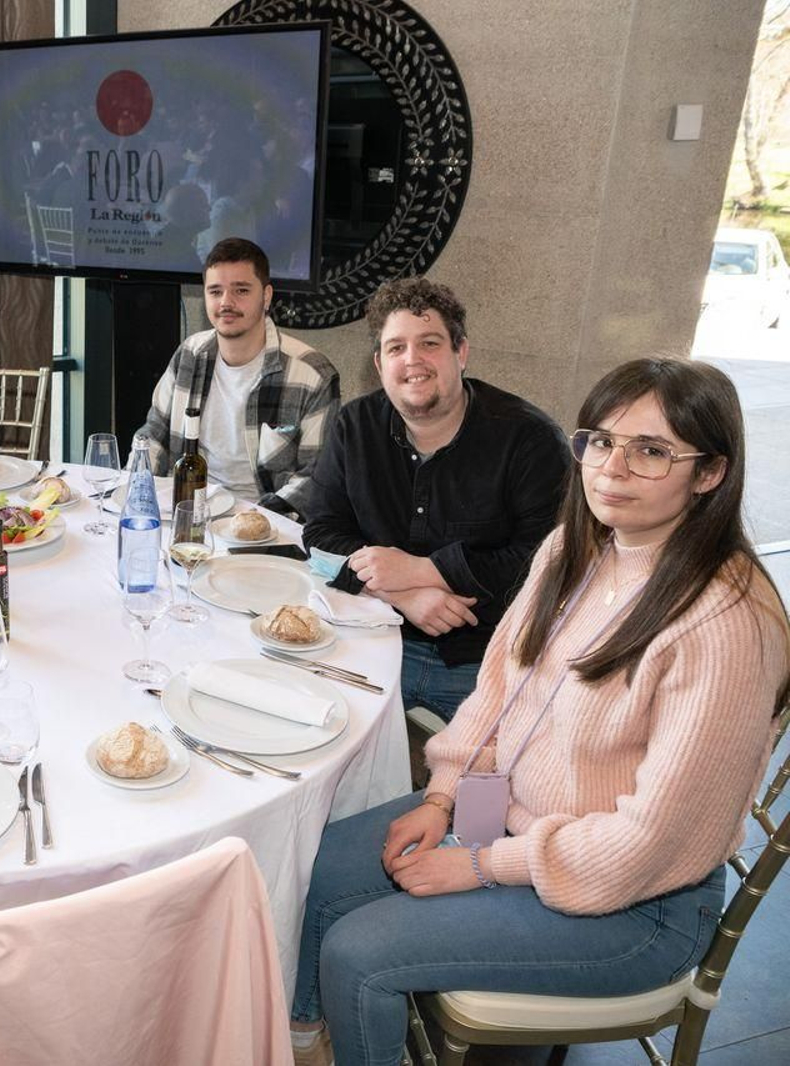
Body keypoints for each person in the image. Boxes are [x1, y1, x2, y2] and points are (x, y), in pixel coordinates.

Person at [289, 357, 790, 1066]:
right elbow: (499, 694)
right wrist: (442, 799)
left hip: (637, 904)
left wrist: (480, 865)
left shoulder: (724, 625)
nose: (612, 468)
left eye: (651, 451)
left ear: (709, 472)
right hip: (517, 823)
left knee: (360, 952)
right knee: (325, 862)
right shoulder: (577, 547)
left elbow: (647, 845)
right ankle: (305, 1035)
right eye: (601, 440)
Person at [303, 278, 571, 721]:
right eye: (396, 348)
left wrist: (422, 570)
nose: (412, 361)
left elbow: (545, 562)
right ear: (378, 362)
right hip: (372, 639)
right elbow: (320, 535)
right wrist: (398, 595)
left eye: (429, 343)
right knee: (315, 740)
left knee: (492, 785)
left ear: (460, 352)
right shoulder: (355, 426)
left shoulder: (530, 440)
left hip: (487, 661)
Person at [136, 237, 339, 518]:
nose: (226, 302)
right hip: (184, 511)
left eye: (241, 290)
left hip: (264, 526)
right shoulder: (190, 355)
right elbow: (154, 432)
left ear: (266, 296)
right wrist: (138, 489)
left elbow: (316, 476)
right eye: (215, 291)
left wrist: (254, 519)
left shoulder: (312, 375)